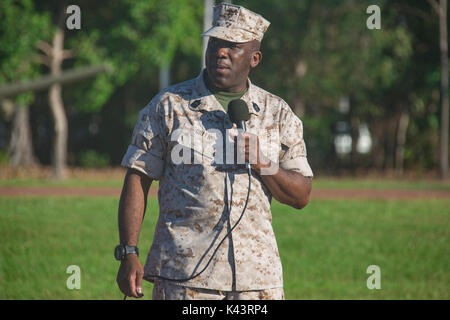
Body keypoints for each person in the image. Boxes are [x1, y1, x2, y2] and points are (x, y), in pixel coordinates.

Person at [115, 2, 313, 300]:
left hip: (256, 283)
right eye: (215, 43)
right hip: (184, 277)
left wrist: (264, 163)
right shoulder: (168, 106)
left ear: (255, 58)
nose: (221, 52)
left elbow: (301, 195)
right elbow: (138, 177)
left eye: (233, 46)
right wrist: (128, 252)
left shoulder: (278, 114)